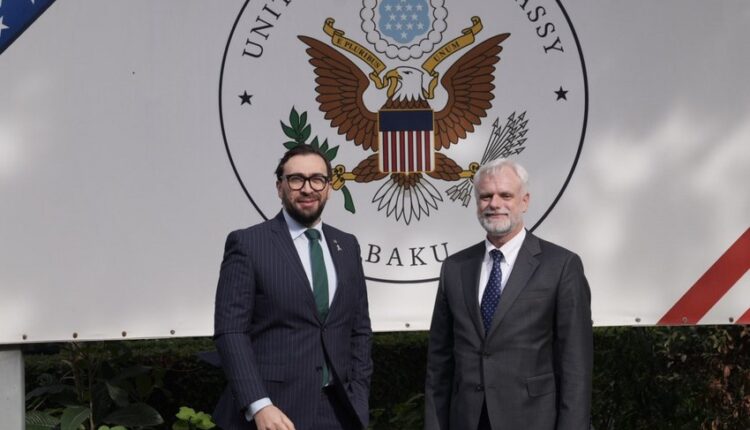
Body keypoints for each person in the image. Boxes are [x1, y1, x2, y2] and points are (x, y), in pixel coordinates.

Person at [424, 158, 593, 430]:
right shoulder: (455, 268)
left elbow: (576, 366)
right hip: (467, 420)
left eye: (505, 195)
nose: (494, 204)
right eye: (486, 196)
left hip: (534, 420)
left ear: (524, 201)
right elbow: (439, 364)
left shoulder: (561, 266)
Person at [213, 145, 373, 430]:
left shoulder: (347, 245)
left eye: (317, 179)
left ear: (328, 187)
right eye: (296, 179)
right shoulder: (248, 244)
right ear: (280, 187)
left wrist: (358, 393)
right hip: (274, 413)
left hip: (339, 412)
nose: (307, 188)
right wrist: (259, 404)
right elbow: (231, 332)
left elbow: (359, 328)